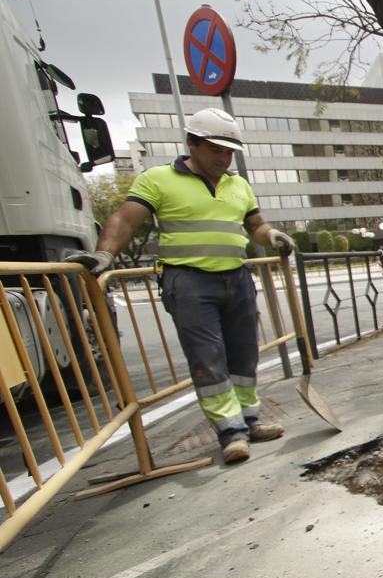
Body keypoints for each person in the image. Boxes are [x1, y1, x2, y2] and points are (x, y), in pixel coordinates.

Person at [66, 108, 296, 464]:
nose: (223, 158)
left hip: (236, 277)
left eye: (229, 152)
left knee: (244, 354)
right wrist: (104, 254)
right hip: (189, 281)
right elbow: (125, 220)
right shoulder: (159, 179)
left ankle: (250, 421)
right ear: (192, 143)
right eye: (216, 150)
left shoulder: (238, 185)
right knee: (207, 358)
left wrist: (272, 235)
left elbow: (255, 226)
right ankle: (231, 433)